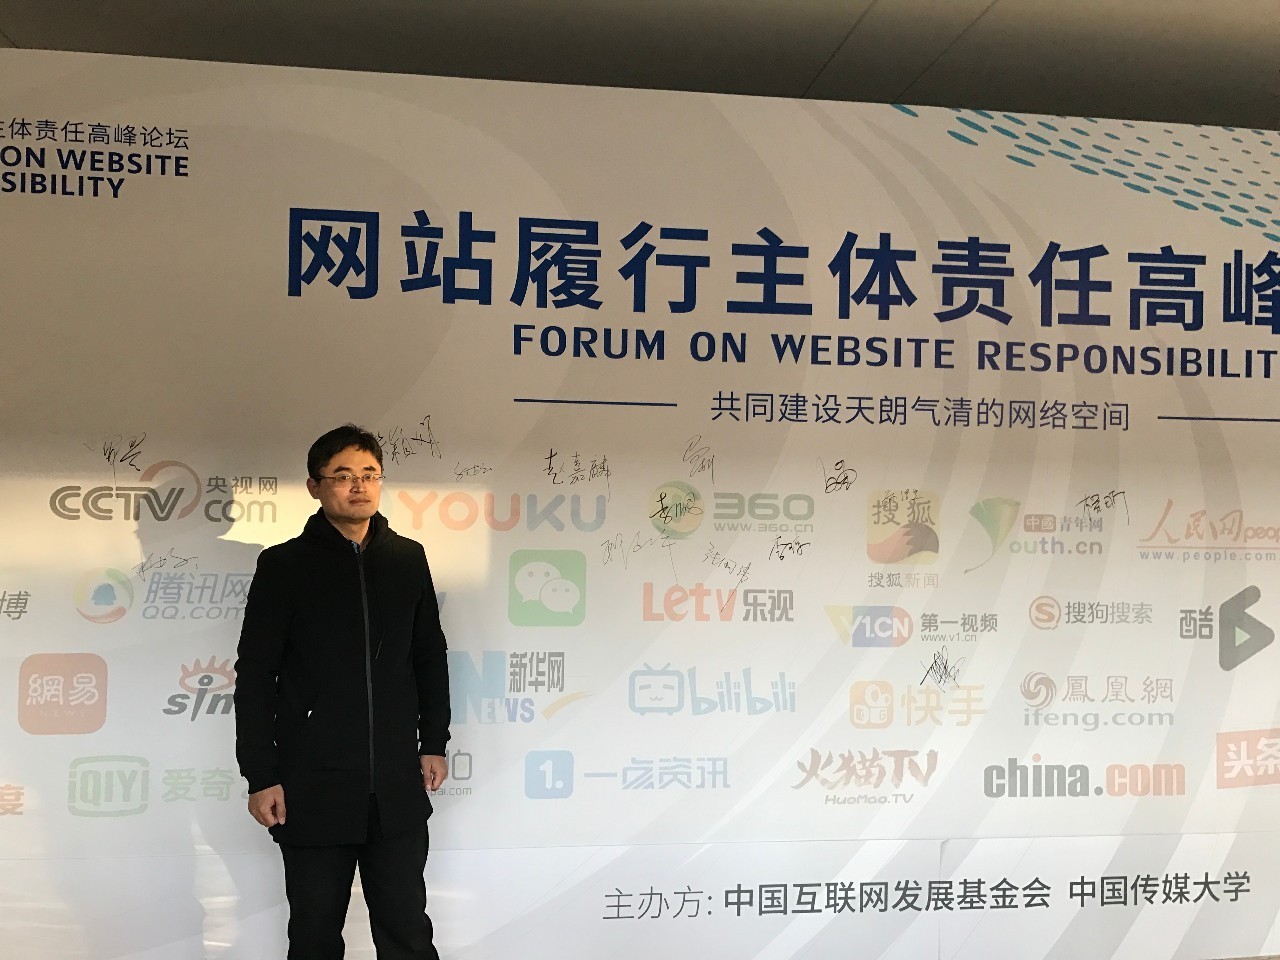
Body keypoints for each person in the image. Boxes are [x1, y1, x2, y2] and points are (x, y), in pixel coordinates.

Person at [234, 424, 450, 960]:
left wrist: (433, 741)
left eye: (370, 475)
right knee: (314, 935)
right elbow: (256, 674)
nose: (359, 486)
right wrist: (261, 774)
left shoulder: (408, 558)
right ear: (315, 486)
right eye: (343, 475)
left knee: (408, 932)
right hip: (313, 786)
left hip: (395, 787)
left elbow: (429, 655)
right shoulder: (284, 565)